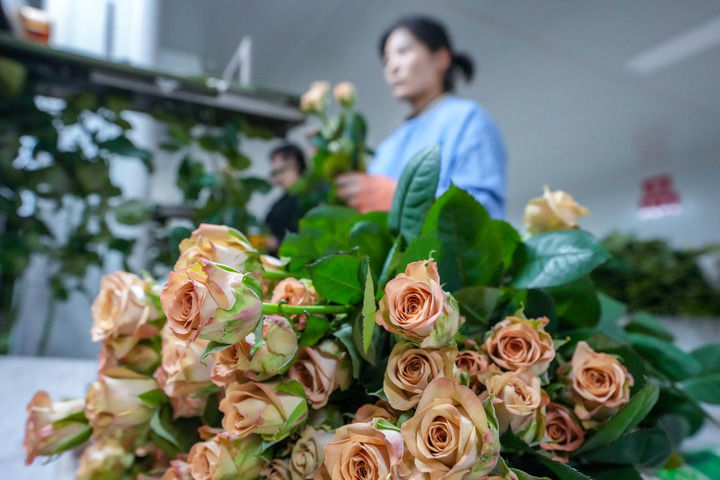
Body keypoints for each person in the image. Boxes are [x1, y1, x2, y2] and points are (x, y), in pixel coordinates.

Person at [336, 15, 507, 219]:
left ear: (442, 58)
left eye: (403, 51)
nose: (392, 67)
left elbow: (483, 214)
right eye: (386, 60)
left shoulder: (467, 119)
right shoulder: (389, 145)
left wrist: (402, 200)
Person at [265, 144, 305, 253]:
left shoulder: (308, 197)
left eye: (279, 171)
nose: (277, 178)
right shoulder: (281, 201)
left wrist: (277, 242)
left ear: (292, 161)